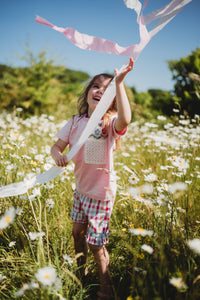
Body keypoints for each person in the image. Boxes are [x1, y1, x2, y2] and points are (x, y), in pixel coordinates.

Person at [51, 58, 134, 300]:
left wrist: (119, 83)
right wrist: (58, 154)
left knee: (97, 244)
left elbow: (125, 120)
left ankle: (106, 289)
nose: (100, 90)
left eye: (107, 89)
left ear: (112, 99)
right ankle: (81, 274)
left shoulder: (108, 123)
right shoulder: (75, 122)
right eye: (96, 85)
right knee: (77, 232)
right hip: (81, 190)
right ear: (88, 92)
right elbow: (56, 146)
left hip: (100, 194)